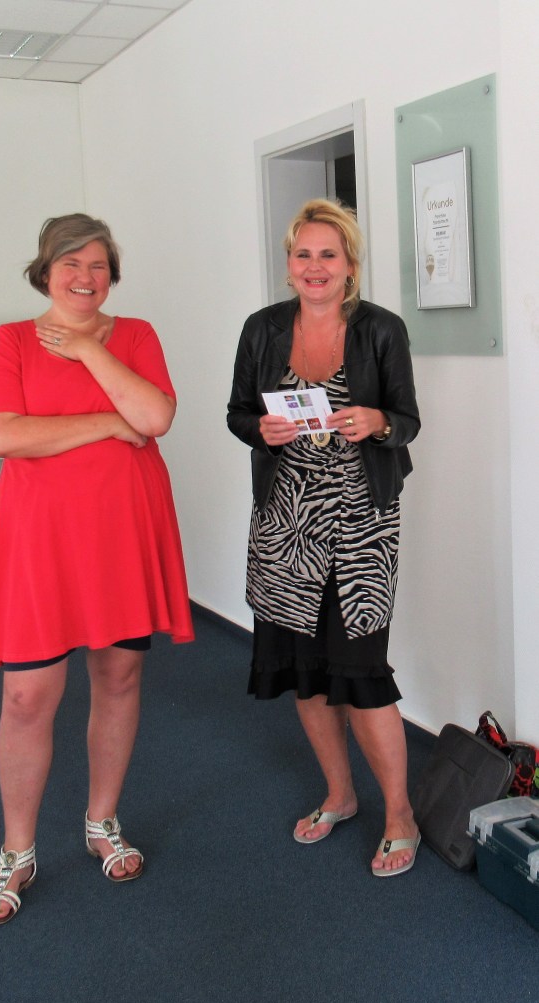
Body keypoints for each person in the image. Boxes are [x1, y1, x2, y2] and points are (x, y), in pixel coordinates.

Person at [0, 213, 194, 925]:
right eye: (70, 263)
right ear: (46, 271)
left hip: (121, 533)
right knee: (26, 696)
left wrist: (88, 349)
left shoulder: (135, 335)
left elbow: (154, 417)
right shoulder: (12, 340)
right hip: (40, 540)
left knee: (119, 676)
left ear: (111, 274)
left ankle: (102, 819)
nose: (84, 276)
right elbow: (6, 435)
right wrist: (105, 423)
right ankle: (17, 850)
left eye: (98, 264)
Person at [227, 198, 421, 877]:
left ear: (349, 265)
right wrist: (260, 429)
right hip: (285, 525)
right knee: (306, 673)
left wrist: (378, 422)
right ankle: (340, 794)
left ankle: (400, 814)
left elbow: (407, 418)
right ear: (289, 264)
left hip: (362, 525)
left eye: (328, 255)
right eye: (303, 254)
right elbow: (238, 413)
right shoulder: (262, 329)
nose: (315, 267)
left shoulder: (381, 329)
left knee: (362, 675)